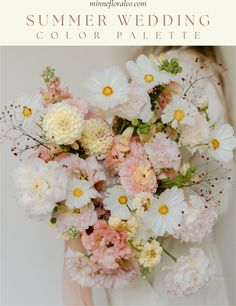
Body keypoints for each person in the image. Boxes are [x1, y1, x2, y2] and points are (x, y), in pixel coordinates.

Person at [63, 46, 232, 306]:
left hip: (162, 271)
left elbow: (136, 171)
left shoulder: (178, 70)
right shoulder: (206, 70)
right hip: (185, 266)